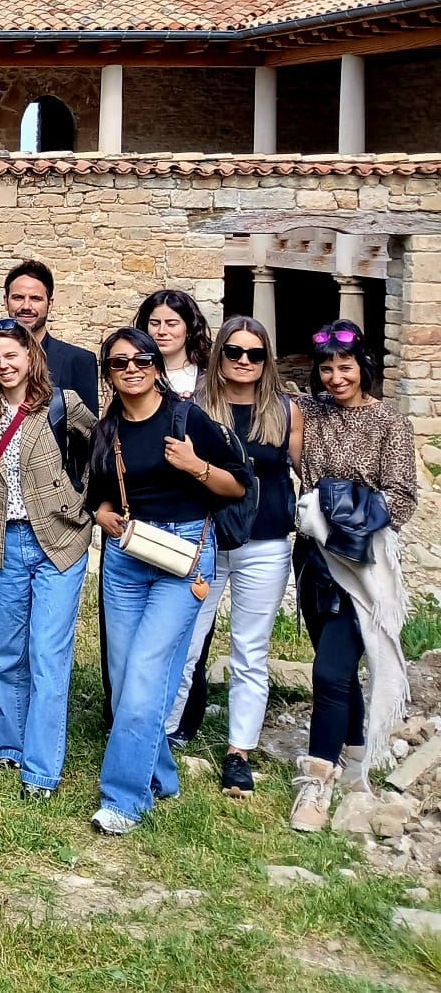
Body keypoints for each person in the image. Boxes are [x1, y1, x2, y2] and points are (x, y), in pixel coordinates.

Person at [85, 326, 248, 835]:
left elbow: (237, 484)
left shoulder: (186, 417)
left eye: (141, 360)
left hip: (185, 556)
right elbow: (102, 491)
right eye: (119, 363)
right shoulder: (107, 430)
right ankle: (162, 775)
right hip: (129, 555)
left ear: (156, 365)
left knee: (146, 677)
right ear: (108, 375)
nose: (131, 369)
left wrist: (197, 466)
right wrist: (103, 513)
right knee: (124, 684)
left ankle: (123, 799)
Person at [289, 320, 420, 832]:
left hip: (363, 563)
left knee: (327, 672)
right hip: (315, 559)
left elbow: (404, 495)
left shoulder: (390, 422)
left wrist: (351, 519)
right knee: (337, 666)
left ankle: (316, 781)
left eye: (344, 366)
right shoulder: (311, 413)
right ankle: (358, 752)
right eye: (326, 367)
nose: (335, 376)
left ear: (362, 366)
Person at [162, 315, 301, 796]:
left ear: (267, 360)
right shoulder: (195, 408)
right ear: (218, 356)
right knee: (185, 642)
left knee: (249, 650)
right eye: (234, 352)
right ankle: (159, 738)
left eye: (255, 354)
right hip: (207, 539)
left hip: (264, 543)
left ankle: (239, 752)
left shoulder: (285, 411)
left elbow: (302, 471)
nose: (244, 361)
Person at [0, 317, 95, 798]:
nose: (3, 366)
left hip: (59, 541)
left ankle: (41, 770)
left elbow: (102, 448)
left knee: (48, 654)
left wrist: (86, 500)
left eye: (11, 356)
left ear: (29, 356)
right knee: (4, 655)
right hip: (2, 542)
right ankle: (12, 745)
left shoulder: (62, 405)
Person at [4, 260, 99, 411]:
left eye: (35, 298)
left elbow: (88, 431)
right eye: (18, 297)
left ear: (49, 303)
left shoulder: (79, 361)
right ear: (6, 302)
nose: (26, 306)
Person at [136, 288, 209, 399]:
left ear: (189, 329)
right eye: (155, 324)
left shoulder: (208, 378)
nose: (162, 331)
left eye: (171, 324)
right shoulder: (134, 375)